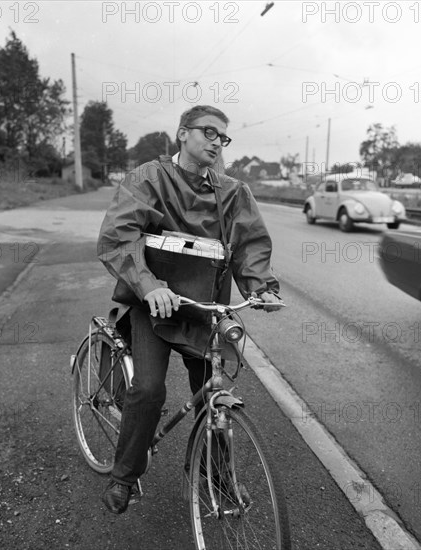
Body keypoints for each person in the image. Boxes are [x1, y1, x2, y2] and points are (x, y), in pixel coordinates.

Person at [97, 105, 283, 514]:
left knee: (215, 390)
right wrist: (148, 286)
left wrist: (260, 287)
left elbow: (249, 246)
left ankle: (213, 478)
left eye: (223, 137)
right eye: (209, 132)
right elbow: (118, 237)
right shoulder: (148, 178)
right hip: (157, 306)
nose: (217, 142)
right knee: (148, 389)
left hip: (204, 307)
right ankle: (124, 476)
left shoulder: (233, 192)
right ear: (183, 134)